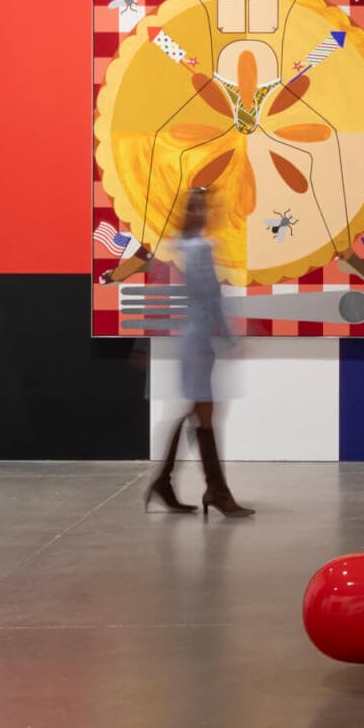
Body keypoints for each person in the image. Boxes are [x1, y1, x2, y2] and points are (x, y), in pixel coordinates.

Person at [145, 187, 254, 519]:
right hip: (198, 342)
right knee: (203, 414)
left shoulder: (176, 248)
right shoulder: (200, 249)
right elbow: (211, 298)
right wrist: (230, 337)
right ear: (184, 211)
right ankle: (214, 491)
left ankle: (168, 483)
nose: (198, 213)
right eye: (193, 207)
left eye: (201, 207)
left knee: (198, 412)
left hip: (192, 341)